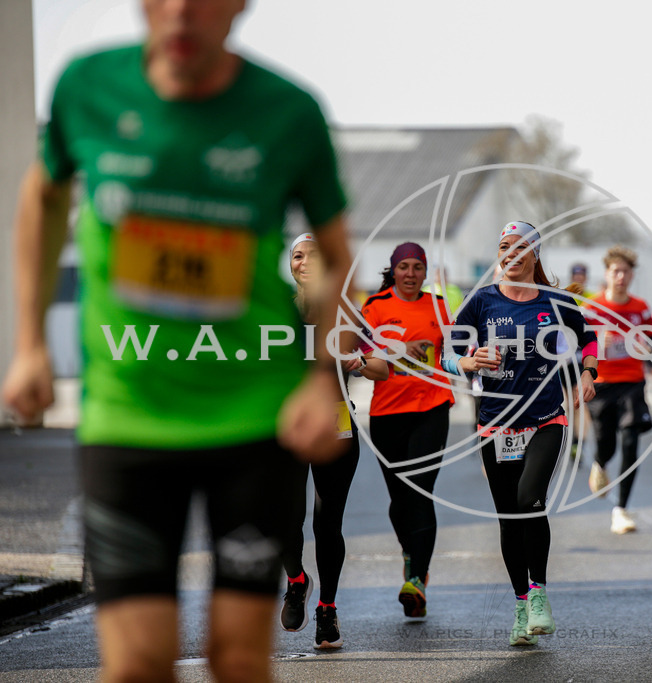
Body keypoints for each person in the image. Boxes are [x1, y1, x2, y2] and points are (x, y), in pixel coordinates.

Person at [1, 2, 357, 679]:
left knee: (238, 657)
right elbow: (42, 197)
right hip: (126, 412)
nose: (182, 11)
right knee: (136, 662)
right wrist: (30, 342)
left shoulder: (288, 112)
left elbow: (336, 255)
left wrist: (319, 373)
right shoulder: (88, 87)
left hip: (254, 418)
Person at [444, 221, 597, 647]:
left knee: (531, 498)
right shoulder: (481, 302)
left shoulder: (555, 302)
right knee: (510, 518)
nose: (509, 254)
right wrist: (468, 363)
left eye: (517, 247)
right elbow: (447, 353)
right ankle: (519, 604)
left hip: (547, 417)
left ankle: (539, 593)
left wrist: (588, 372)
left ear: (534, 253)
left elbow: (589, 337)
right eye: (503, 247)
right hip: (496, 422)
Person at [279, 234, 387, 650]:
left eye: (313, 255)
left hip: (337, 422)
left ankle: (327, 608)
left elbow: (381, 367)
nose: (304, 262)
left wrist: (358, 361)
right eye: (297, 256)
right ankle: (296, 580)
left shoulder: (345, 313)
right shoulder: (275, 312)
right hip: (285, 424)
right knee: (284, 515)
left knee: (328, 522)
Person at [361, 242, 455, 621]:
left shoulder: (439, 307)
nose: (411, 273)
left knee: (421, 491)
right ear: (394, 270)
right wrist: (399, 349)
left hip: (432, 407)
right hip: (387, 412)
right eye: (405, 267)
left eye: (418, 267)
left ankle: (416, 578)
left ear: (425, 271)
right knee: (400, 499)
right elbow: (367, 356)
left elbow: (456, 352)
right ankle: (410, 552)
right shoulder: (375, 307)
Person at [584, 247, 652, 534]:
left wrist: (644, 346)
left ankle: (621, 510)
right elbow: (579, 345)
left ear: (631, 275)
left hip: (632, 382)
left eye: (626, 271)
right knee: (606, 443)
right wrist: (599, 344)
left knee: (629, 442)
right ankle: (599, 464)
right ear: (607, 274)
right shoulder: (592, 309)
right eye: (616, 271)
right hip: (602, 384)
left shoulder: (641, 308)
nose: (621, 276)